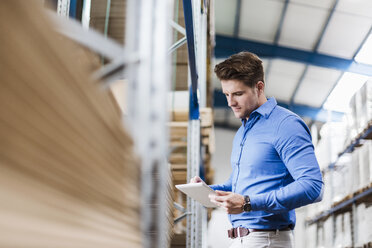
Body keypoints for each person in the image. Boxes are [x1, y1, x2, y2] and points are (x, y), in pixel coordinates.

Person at [191, 52, 323, 248]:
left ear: (259, 87)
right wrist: (209, 190)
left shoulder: (286, 125)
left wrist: (247, 202)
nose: (230, 103)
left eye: (237, 94)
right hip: (242, 240)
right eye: (226, 94)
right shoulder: (243, 132)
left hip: (267, 240)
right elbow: (240, 184)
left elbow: (313, 187)